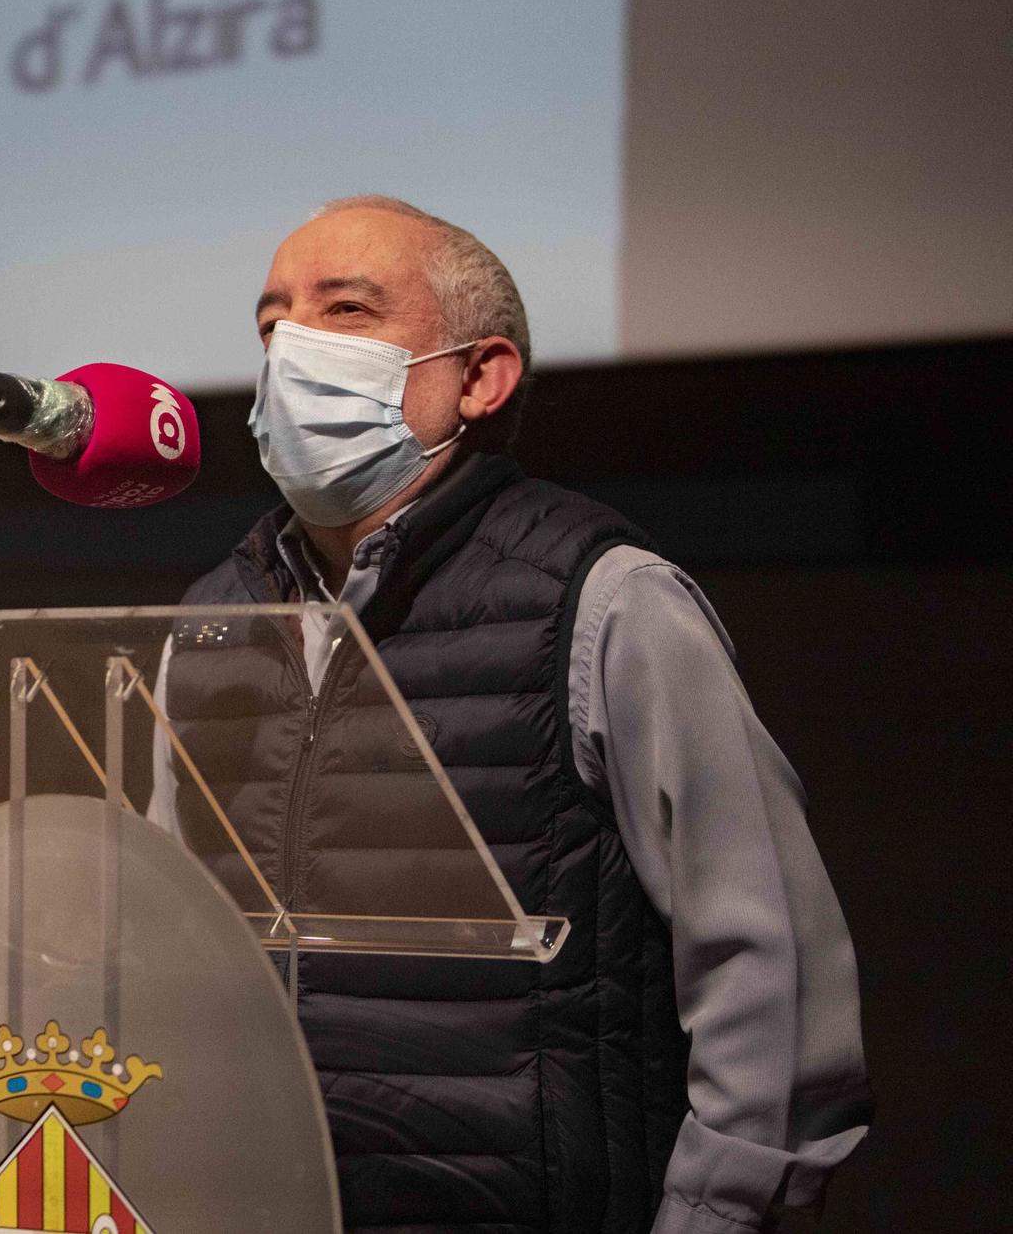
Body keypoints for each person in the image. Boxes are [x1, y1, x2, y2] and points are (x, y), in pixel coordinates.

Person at [163, 196, 870, 1233]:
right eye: (272, 325)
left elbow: (766, 964)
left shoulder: (604, 600)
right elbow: (156, 932)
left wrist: (712, 1216)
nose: (292, 348)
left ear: (478, 377)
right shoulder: (204, 622)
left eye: (344, 310)